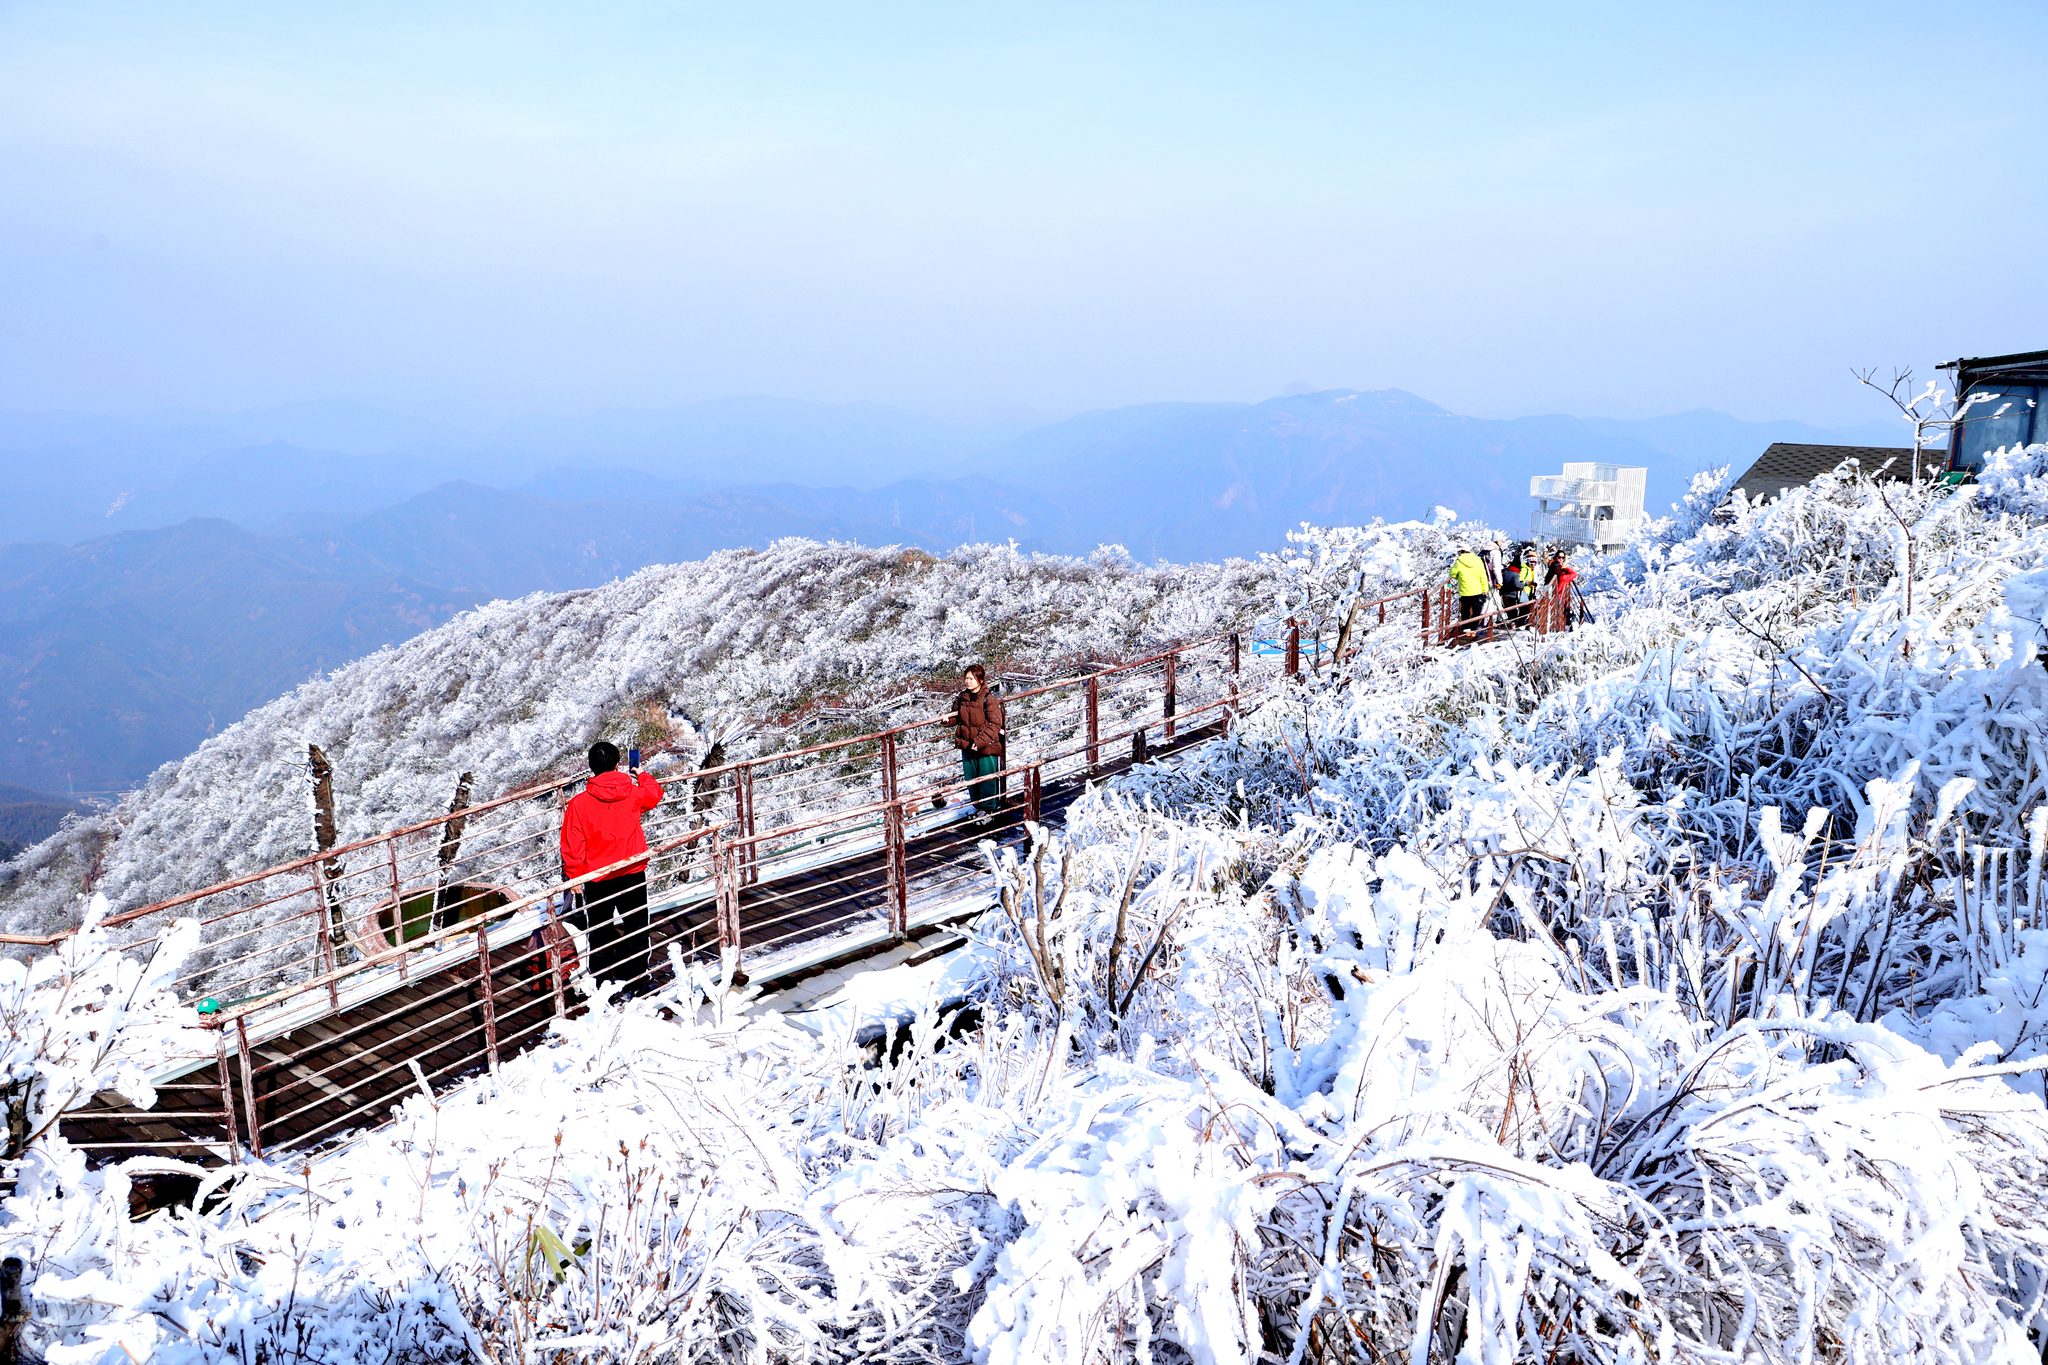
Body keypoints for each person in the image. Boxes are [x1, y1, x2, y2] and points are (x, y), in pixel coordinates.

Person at [559, 740, 664, 991]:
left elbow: (573, 843)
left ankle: (604, 983)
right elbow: (654, 795)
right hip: (631, 871)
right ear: (618, 765)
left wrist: (575, 876)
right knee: (637, 926)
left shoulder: (579, 804)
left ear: (591, 768)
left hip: (597, 877)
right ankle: (637, 978)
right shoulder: (633, 793)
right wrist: (642, 775)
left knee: (600, 931)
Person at [944, 664, 1006, 818]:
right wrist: (948, 720)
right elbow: (958, 717)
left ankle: (988, 810)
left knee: (986, 779)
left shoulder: (989, 699)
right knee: (971, 779)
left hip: (985, 746)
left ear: (981, 679)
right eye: (966, 678)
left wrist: (979, 742)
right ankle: (977, 806)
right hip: (967, 745)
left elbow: (995, 724)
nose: (968, 681)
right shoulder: (962, 698)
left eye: (971, 678)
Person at [1449, 545, 1489, 641]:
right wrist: (1485, 589)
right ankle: (1474, 627)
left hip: (1465, 590)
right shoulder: (1478, 560)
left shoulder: (1459, 561)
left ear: (1462, 551)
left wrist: (1460, 577)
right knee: (1477, 609)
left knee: (1465, 609)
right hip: (1477, 589)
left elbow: (1452, 573)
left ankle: (1466, 627)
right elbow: (1483, 575)